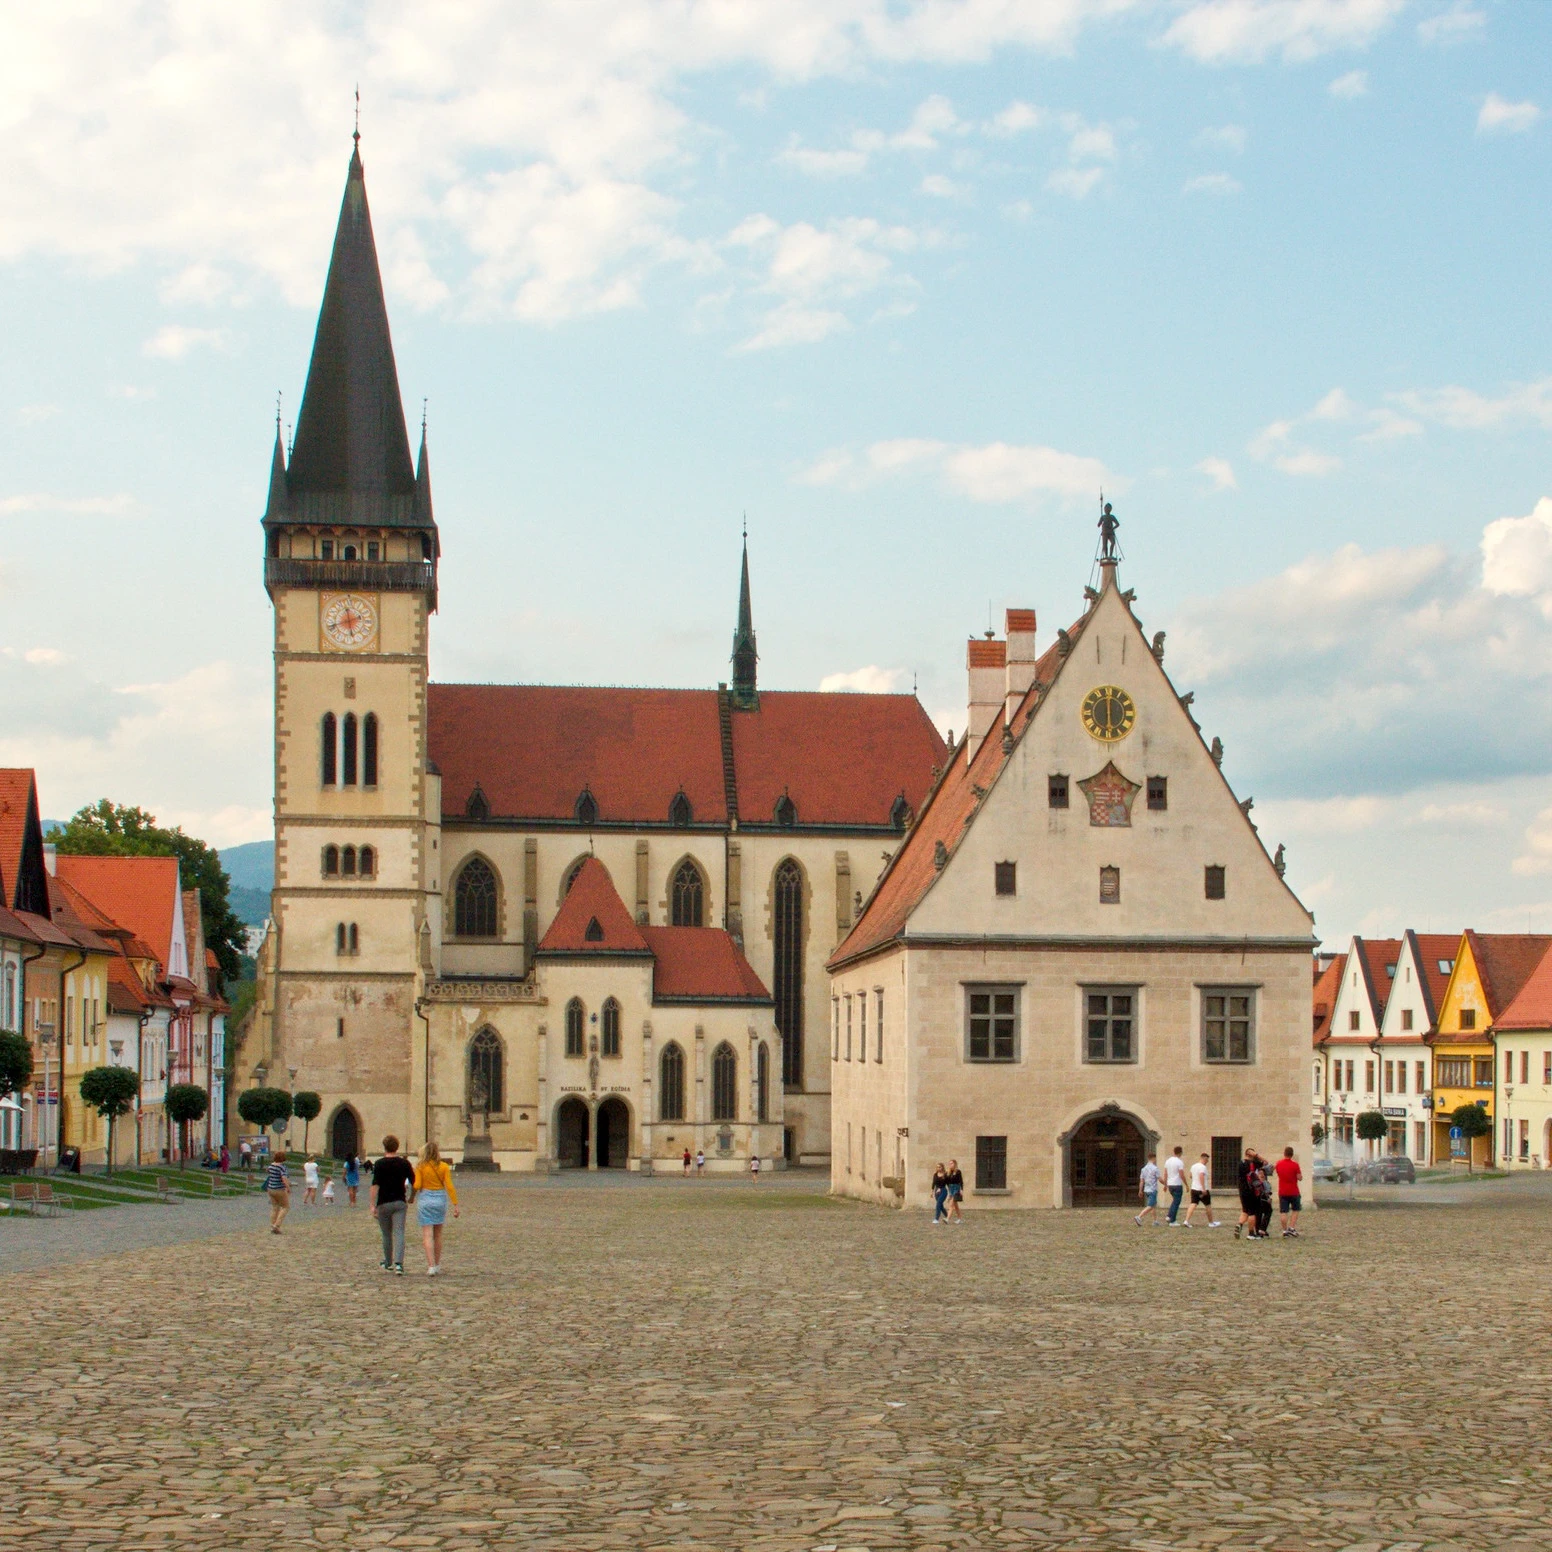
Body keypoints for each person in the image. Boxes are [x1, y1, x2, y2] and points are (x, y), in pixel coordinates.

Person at [369, 1135, 416, 1275]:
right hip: (399, 1201)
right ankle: (399, 1264)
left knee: (386, 1234)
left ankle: (388, 1262)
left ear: (385, 1147)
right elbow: (414, 1182)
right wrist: (412, 1197)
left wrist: (372, 1205)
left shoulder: (379, 1164)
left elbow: (375, 1185)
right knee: (399, 1232)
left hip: (383, 1202)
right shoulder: (404, 1163)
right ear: (397, 1147)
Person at [413, 1141, 459, 1275]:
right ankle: (437, 1264)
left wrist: (412, 1195)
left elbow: (417, 1185)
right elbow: (449, 1186)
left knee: (427, 1234)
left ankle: (431, 1266)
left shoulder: (421, 1166)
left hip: (425, 1199)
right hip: (440, 1199)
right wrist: (455, 1204)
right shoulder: (444, 1166)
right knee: (438, 1234)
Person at [1183, 1152, 1219, 1228]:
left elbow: (1190, 1175)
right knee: (1208, 1205)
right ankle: (1211, 1222)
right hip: (1202, 1189)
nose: (1207, 1162)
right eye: (1207, 1160)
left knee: (1193, 1203)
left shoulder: (1193, 1166)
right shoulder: (1202, 1167)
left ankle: (1186, 1220)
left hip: (1194, 1189)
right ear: (1204, 1159)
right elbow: (1201, 1176)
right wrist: (1203, 1188)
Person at [1274, 1146, 1303, 1237]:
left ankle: (1284, 1230)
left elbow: (1277, 1172)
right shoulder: (1295, 1165)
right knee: (1296, 1209)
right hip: (1294, 1191)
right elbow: (1299, 1178)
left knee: (1283, 1211)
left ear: (1284, 1153)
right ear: (1292, 1154)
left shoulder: (1279, 1164)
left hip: (1282, 1191)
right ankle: (1291, 1227)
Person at [264, 1151, 290, 1234]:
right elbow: (284, 1178)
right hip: (279, 1189)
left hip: (270, 1188)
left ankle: (272, 1225)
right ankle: (277, 1225)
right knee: (285, 1207)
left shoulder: (271, 1165)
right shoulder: (282, 1167)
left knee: (275, 1207)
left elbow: (267, 1171)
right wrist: (288, 1187)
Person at [1135, 1152, 1161, 1227]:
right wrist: (1165, 1184)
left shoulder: (1143, 1169)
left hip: (1146, 1189)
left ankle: (1155, 1221)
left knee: (1153, 1205)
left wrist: (1140, 1190)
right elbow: (1160, 1179)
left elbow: (1141, 1181)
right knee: (1151, 1205)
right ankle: (1139, 1217)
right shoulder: (1155, 1168)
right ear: (1153, 1158)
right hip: (1153, 1189)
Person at [1163, 1145, 1188, 1226]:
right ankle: (1172, 1220)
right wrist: (1186, 1184)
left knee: (1174, 1201)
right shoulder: (1179, 1162)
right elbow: (1181, 1174)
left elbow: (1165, 1173)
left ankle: (1169, 1215)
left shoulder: (1168, 1161)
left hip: (1170, 1184)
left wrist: (1165, 1184)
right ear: (1180, 1153)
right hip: (1177, 1184)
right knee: (1176, 1202)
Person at [1253, 1152, 1275, 1238]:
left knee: (1258, 1213)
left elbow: (1271, 1167)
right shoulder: (1260, 1170)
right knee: (1268, 1211)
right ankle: (1262, 1229)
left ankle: (1258, 1231)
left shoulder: (1253, 1169)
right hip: (1262, 1195)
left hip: (1257, 1195)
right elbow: (1270, 1166)